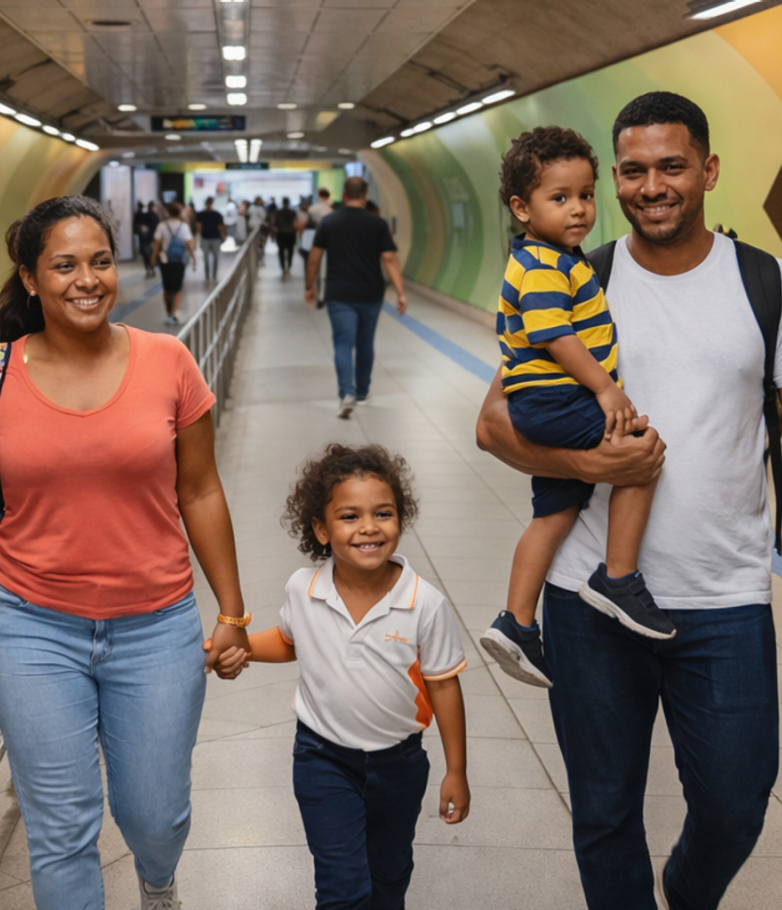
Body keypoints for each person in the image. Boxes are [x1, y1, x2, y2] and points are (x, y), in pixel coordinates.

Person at [476, 92, 782, 910]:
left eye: (672, 167)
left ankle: (686, 890)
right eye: (635, 171)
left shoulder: (770, 286)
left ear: (708, 171)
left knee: (735, 803)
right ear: (615, 180)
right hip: (589, 604)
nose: (654, 186)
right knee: (604, 814)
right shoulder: (583, 276)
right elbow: (493, 424)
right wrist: (597, 461)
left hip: (723, 598)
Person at [0, 195, 249, 910]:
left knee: (156, 815)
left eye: (98, 261)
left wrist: (233, 611)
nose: (86, 279)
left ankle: (159, 881)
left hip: (155, 624)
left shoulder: (169, 362)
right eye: (63, 266)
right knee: (61, 828)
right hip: (28, 627)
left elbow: (202, 491)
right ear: (31, 278)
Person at [212, 444, 469, 910]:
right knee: (342, 887)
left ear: (400, 519)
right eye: (350, 516)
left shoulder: (424, 602)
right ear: (321, 530)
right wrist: (241, 649)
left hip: (400, 763)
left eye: (383, 513)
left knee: (389, 877)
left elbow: (444, 685)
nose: (369, 527)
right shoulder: (303, 588)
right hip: (321, 757)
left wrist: (457, 769)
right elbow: (291, 641)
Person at [478, 126, 673, 694]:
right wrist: (607, 391)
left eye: (585, 195)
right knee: (640, 453)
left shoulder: (558, 256)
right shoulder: (543, 265)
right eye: (558, 199)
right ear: (522, 207)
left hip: (543, 399)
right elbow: (557, 337)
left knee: (553, 515)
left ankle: (515, 621)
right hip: (555, 397)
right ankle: (618, 577)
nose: (578, 209)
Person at [304, 177, 406, 419]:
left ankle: (346, 393)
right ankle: (362, 392)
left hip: (339, 293)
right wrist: (401, 292)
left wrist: (310, 285)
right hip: (371, 292)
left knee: (342, 342)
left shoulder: (329, 222)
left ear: (344, 194)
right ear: (366, 194)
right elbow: (389, 259)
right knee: (365, 342)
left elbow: (315, 257)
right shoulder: (378, 223)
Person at [151, 202, 196, 325]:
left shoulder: (162, 226)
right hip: (179, 261)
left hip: (165, 260)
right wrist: (193, 258)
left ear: (168, 213)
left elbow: (156, 243)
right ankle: (175, 313)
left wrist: (153, 257)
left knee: (167, 287)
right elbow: (189, 244)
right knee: (177, 287)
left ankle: (168, 312)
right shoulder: (184, 226)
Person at [197, 197, 226, 283]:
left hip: (215, 238)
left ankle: (214, 274)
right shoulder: (201, 214)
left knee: (215, 257)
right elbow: (199, 226)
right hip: (206, 237)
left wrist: (224, 235)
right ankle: (208, 274)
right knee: (206, 257)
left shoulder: (217, 214)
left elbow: (221, 226)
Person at [273, 196, 299, 277]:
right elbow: (296, 224)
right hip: (291, 234)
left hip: (281, 233)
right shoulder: (293, 212)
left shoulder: (278, 212)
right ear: (288, 203)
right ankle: (289, 266)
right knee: (290, 250)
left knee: (281, 251)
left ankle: (283, 267)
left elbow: (275, 224)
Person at [135, 201, 159, 277]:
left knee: (146, 254)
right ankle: (151, 268)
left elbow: (140, 224)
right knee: (151, 254)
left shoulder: (144, 215)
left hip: (146, 238)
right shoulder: (154, 215)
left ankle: (149, 269)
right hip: (152, 238)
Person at [247, 196, 269, 262]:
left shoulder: (251, 208)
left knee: (256, 243)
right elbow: (263, 216)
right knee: (259, 242)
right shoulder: (259, 208)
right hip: (257, 227)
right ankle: (258, 255)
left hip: (253, 226)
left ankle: (257, 255)